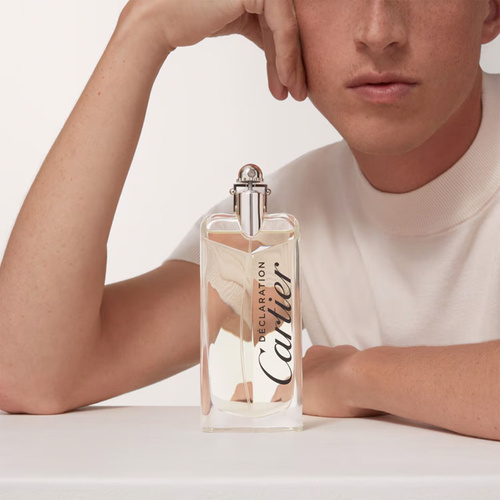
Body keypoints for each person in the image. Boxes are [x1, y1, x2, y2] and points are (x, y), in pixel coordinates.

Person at [0, 0, 499, 441]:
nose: (378, 31)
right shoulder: (278, 229)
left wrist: (356, 376)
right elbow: (31, 372)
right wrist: (145, 28)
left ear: (492, 10)